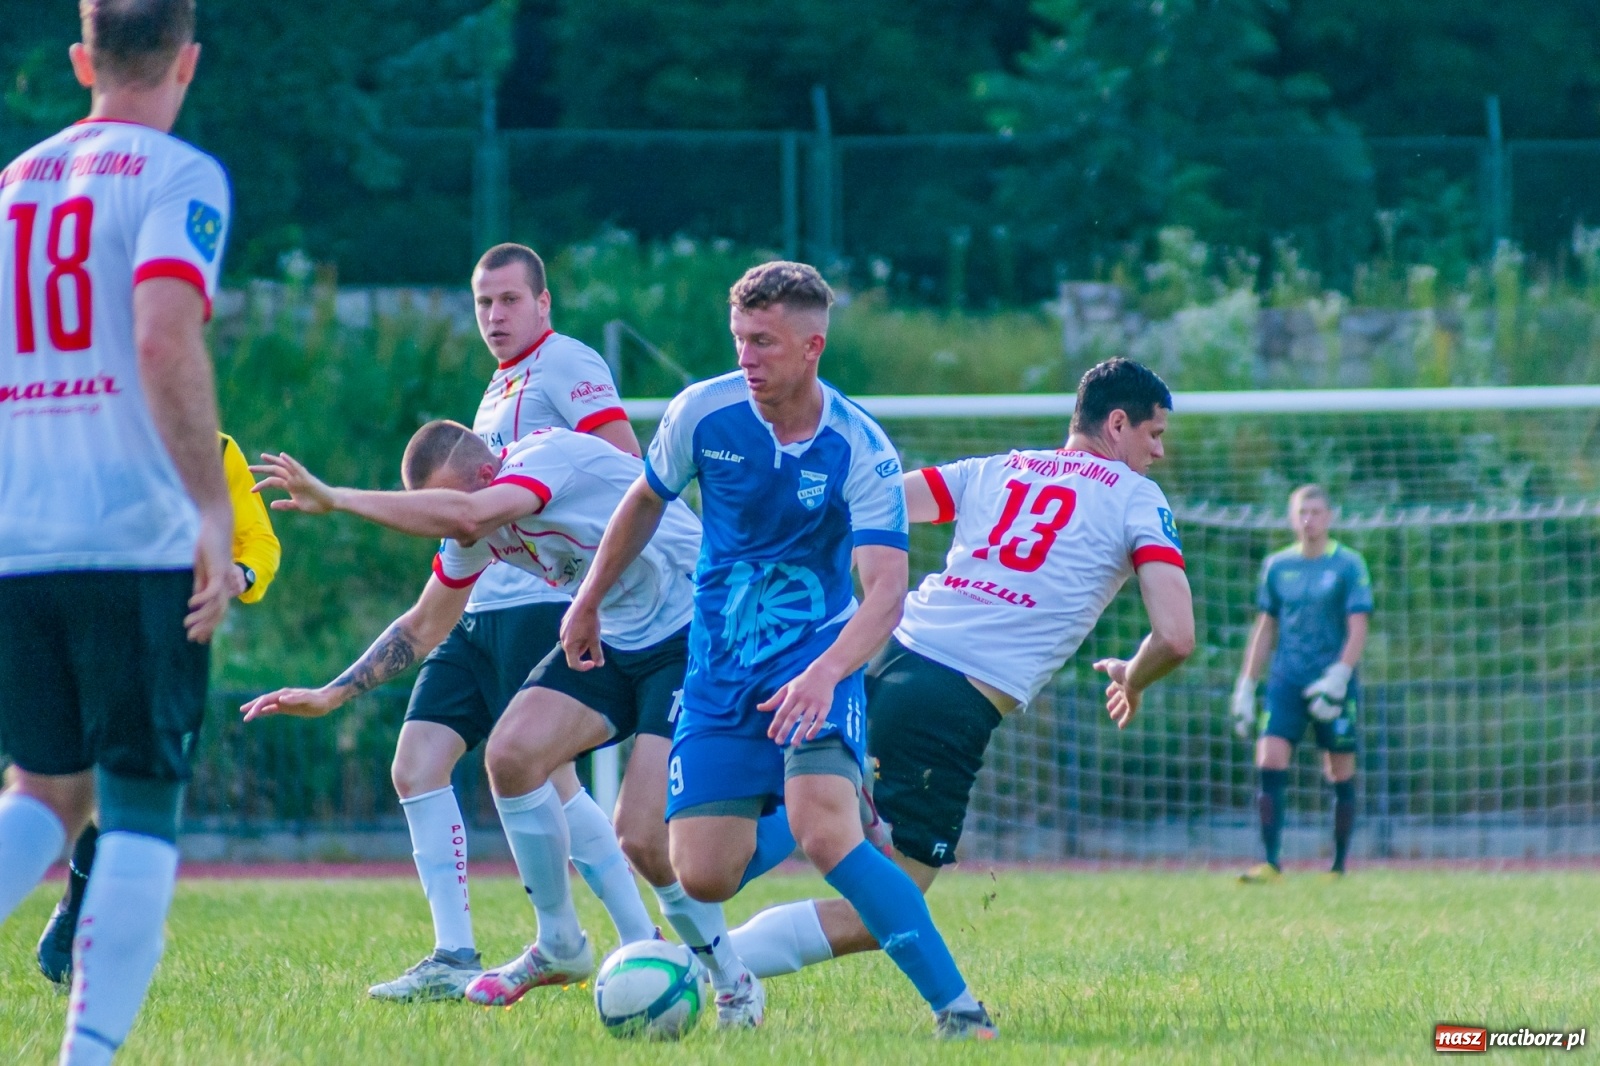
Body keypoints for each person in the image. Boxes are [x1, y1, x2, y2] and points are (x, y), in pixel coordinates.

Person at [561, 261, 994, 1039]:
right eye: (740, 339)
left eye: (763, 342)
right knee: (702, 873)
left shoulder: (860, 447)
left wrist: (827, 674)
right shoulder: (703, 413)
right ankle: (816, 805)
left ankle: (960, 1013)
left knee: (829, 835)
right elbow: (645, 499)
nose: (747, 357)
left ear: (811, 347)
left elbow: (886, 592)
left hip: (818, 662)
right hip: (719, 671)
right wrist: (588, 598)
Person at [242, 423, 761, 1025]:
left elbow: (466, 515)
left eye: (451, 504)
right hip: (612, 635)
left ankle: (732, 980)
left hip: (695, 629)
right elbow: (424, 625)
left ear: (489, 476)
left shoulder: (545, 458)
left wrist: (336, 498)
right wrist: (331, 695)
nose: (451, 524)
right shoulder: (475, 527)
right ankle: (559, 943)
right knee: (511, 755)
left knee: (641, 836)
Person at [723, 358, 1197, 979]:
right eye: (1153, 433)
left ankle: (688, 924)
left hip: (882, 660)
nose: (1158, 451)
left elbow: (869, 500)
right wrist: (1133, 676)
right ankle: (703, 966)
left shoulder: (998, 468)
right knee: (887, 907)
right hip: (945, 704)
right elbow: (1176, 636)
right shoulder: (1136, 496)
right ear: (1116, 424)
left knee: (803, 819)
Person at [291, 240, 652, 1002]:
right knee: (416, 763)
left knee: (551, 777)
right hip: (476, 604)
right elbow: (463, 524)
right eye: (483, 301)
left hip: (542, 605)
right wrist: (331, 692)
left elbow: (628, 475)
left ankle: (639, 942)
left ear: (543, 302)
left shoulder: (565, 363)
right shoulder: (496, 391)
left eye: (510, 299)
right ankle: (454, 952)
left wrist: (595, 591)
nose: (495, 314)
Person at [0, 2, 235, 1062]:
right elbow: (161, 335)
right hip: (130, 533)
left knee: (47, 790)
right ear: (187, 61)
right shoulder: (178, 175)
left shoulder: (13, 184)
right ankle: (87, 1054)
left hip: (19, 535)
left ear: (80, 60)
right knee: (139, 801)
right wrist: (211, 505)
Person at [36, 430, 282, 985]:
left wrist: (241, 574)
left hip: (174, 641)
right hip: (84, 630)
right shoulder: (87, 435)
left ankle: (87, 922)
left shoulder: (216, 450)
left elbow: (259, 541)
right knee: (69, 787)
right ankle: (80, 911)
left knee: (141, 789)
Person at [1231, 484, 1372, 881]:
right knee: (1269, 758)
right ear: (1293, 519)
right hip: (1286, 680)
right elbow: (1266, 626)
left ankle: (1338, 865)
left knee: (1339, 769)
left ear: (1329, 516)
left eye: (1316, 512)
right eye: (1302, 513)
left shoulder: (1348, 565)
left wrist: (1340, 675)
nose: (1309, 520)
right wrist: (1246, 685)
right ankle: (1271, 862)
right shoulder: (1277, 566)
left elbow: (1358, 626)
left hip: (1331, 681)